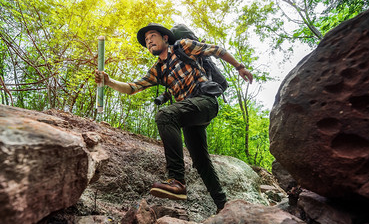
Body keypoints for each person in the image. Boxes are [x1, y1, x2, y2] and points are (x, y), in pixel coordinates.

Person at [95, 23, 253, 213]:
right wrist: (109, 81)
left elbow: (217, 50)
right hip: (187, 113)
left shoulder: (184, 46)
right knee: (200, 160)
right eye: (146, 41)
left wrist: (240, 67)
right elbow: (132, 88)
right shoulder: (158, 69)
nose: (149, 41)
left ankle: (177, 180)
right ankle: (223, 206)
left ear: (165, 38)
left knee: (165, 114)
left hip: (205, 101)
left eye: (152, 36)